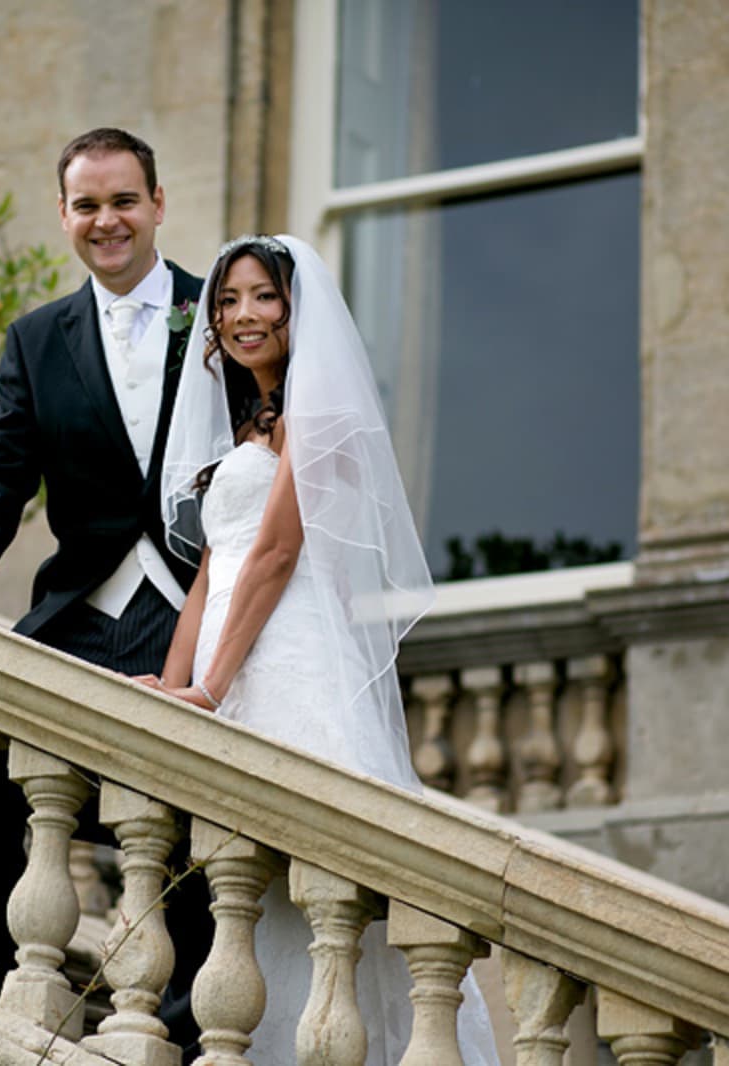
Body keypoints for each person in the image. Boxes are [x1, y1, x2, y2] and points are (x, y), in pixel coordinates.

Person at [0, 128, 211, 1036]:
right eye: (88, 204)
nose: (108, 220)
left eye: (124, 200)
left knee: (177, 798)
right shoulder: (35, 338)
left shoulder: (220, 312)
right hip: (78, 604)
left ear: (158, 203)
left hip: (188, 606)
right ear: (64, 215)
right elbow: (0, 473)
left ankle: (179, 1021)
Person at [144, 234, 500, 1065]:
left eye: (262, 296)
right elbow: (211, 571)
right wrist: (168, 687)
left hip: (290, 661)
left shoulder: (320, 411)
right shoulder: (245, 423)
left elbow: (275, 554)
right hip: (230, 666)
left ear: (298, 307)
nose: (241, 316)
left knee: (324, 894)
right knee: (253, 898)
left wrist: (213, 684)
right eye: (227, 301)